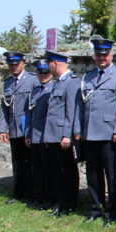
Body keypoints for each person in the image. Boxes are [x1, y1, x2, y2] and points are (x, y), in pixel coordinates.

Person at [75, 38, 116, 226]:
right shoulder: (88, 77)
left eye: (105, 55)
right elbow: (81, 105)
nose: (102, 58)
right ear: (94, 56)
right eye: (99, 55)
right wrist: (79, 130)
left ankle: (112, 212)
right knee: (92, 173)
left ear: (111, 55)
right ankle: (95, 208)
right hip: (90, 132)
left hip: (109, 134)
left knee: (112, 174)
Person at [43, 50, 80, 217]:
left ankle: (69, 204)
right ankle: (59, 202)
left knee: (67, 171)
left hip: (62, 136)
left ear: (55, 63)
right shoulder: (57, 83)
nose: (47, 67)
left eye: (48, 64)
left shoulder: (72, 83)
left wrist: (67, 135)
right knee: (56, 171)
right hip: (52, 134)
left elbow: (71, 111)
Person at [0, 51, 39, 204]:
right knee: (17, 162)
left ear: (23, 63)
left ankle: (32, 194)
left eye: (16, 64)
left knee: (31, 162)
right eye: (10, 64)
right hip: (14, 128)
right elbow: (4, 108)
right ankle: (18, 193)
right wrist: (3, 128)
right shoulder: (7, 82)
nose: (13, 67)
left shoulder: (32, 80)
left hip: (28, 126)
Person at [24, 59, 54, 210]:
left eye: (46, 72)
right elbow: (29, 115)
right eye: (40, 72)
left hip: (46, 137)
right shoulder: (34, 92)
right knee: (36, 169)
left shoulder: (53, 89)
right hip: (34, 136)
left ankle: (49, 199)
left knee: (48, 170)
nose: (43, 75)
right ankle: (37, 197)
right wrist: (28, 133)